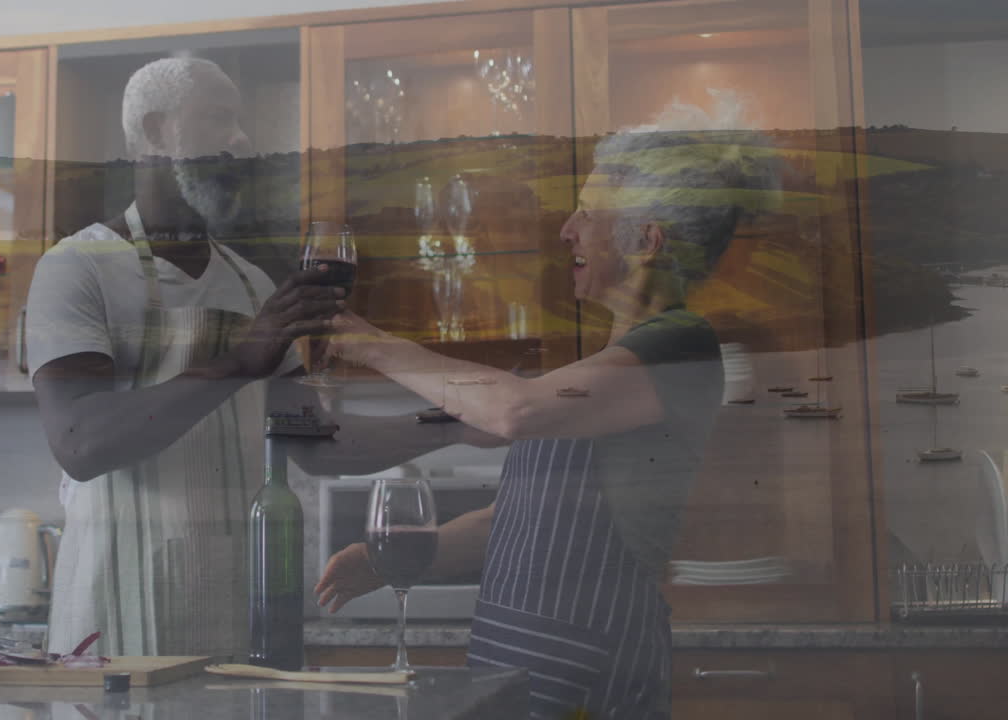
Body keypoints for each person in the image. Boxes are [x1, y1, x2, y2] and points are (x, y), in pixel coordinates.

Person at [315, 99, 781, 719]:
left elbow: (515, 410)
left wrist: (368, 344)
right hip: (522, 662)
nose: (567, 230)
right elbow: (515, 522)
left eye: (588, 213)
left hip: (590, 666)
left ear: (646, 241)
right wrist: (388, 558)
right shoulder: (608, 363)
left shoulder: (680, 343)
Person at [26, 57, 344, 658]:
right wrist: (238, 362)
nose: (241, 141)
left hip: (234, 611)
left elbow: (319, 444)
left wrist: (457, 420)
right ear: (155, 132)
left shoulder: (251, 282)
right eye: (220, 119)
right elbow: (80, 442)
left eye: (240, 123)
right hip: (115, 616)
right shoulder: (77, 266)